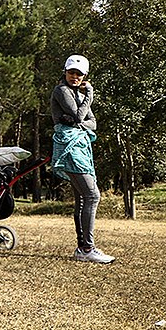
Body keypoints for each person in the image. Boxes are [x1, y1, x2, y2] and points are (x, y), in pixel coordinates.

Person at [50, 54, 115, 264]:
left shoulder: (78, 94)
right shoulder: (62, 90)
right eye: (71, 72)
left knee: (81, 199)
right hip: (69, 148)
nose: (74, 76)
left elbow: (92, 123)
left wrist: (78, 118)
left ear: (85, 75)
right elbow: (79, 117)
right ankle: (87, 248)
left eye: (79, 74)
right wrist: (90, 95)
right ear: (65, 72)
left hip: (80, 146)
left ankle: (82, 248)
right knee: (92, 195)